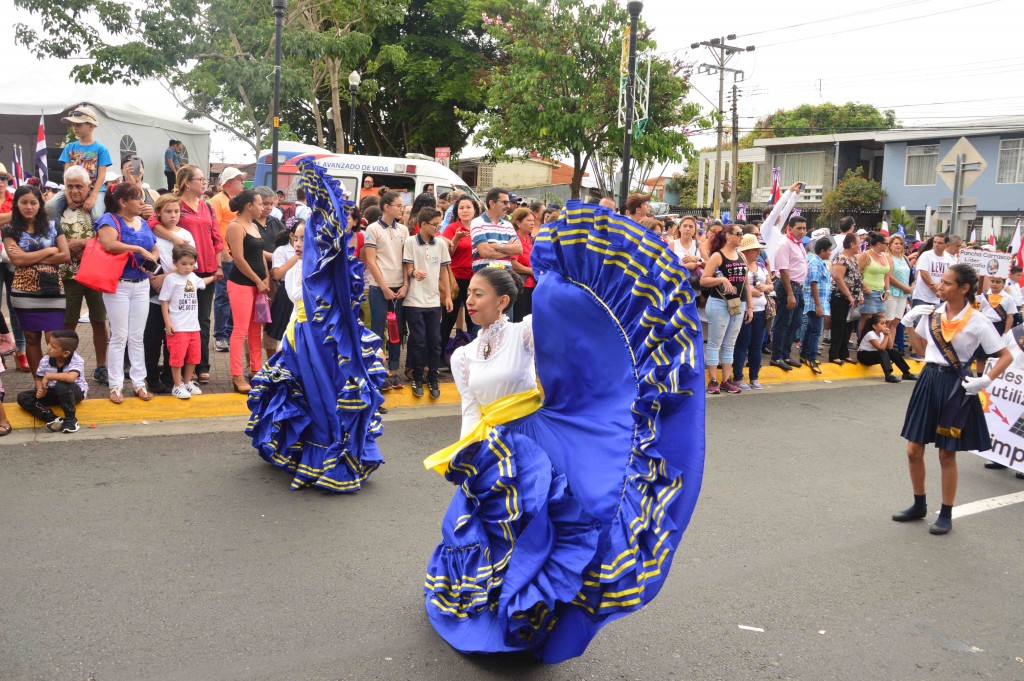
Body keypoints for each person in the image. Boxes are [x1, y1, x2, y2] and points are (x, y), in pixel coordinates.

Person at [422, 201, 704, 662]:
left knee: (541, 533)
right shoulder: (461, 357)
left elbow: (577, 329)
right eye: (468, 293)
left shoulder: (526, 333)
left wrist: (599, 286)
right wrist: (468, 457)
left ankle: (535, 620)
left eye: (477, 293)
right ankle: (488, 605)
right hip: (490, 452)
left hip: (535, 445)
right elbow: (471, 411)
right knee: (485, 532)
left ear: (502, 301)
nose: (469, 300)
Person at [247, 159, 386, 492]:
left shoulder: (324, 230)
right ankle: (313, 451)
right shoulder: (322, 231)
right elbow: (314, 287)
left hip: (317, 329)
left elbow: (321, 286)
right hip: (314, 328)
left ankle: (322, 453)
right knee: (317, 389)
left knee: (322, 391)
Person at [895, 264, 1012, 535]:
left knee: (947, 453)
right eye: (941, 282)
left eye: (947, 283)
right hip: (929, 380)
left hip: (956, 385)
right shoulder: (933, 313)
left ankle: (946, 512)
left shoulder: (978, 321)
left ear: (964, 289)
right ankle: (918, 504)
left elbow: (1005, 355)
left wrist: (987, 379)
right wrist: (909, 324)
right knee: (914, 449)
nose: (940, 286)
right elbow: (922, 350)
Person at [95, 182, 160, 403]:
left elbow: (154, 245)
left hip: (141, 284)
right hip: (118, 285)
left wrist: (151, 258)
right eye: (138, 199)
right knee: (119, 336)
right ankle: (115, 386)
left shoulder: (141, 222)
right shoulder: (109, 221)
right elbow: (109, 244)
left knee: (136, 337)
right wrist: (139, 249)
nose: (142, 203)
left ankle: (139, 383)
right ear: (123, 202)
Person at [45, 165, 110, 385]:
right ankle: (65, 365)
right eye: (70, 186)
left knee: (99, 322)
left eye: (79, 187)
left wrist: (81, 243)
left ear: (88, 187)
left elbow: (109, 239)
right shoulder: (57, 210)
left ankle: (101, 366)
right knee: (67, 325)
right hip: (67, 276)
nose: (74, 191)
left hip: (95, 275)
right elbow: (47, 240)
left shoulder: (97, 210)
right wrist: (64, 248)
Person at [160, 165, 223, 384]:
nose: (204, 182)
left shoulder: (207, 206)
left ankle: (200, 365)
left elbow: (216, 237)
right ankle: (176, 370)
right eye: (200, 179)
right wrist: (175, 239)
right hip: (181, 270)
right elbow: (154, 224)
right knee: (179, 318)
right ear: (187, 182)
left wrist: (219, 265)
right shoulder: (175, 205)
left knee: (202, 319)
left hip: (206, 267)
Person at [2, 186, 70, 378]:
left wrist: (28, 256)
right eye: (24, 202)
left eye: (33, 202)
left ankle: (56, 379)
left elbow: (65, 255)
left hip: (52, 289)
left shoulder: (53, 224)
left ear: (40, 204)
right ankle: (39, 381)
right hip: (24, 291)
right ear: (16, 204)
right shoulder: (10, 229)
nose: (29, 207)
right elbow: (17, 261)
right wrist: (49, 251)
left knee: (54, 337)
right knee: (31, 338)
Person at [145, 193, 196, 393]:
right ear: (158, 213)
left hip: (177, 299)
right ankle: (151, 377)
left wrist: (165, 277)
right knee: (152, 338)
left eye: (176, 211)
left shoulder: (186, 235)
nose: (173, 215)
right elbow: (144, 260)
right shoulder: (151, 233)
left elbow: (191, 263)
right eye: (168, 211)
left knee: (173, 340)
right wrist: (152, 278)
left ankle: (169, 376)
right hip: (153, 295)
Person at [403, 208, 452, 399]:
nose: (438, 228)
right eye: (435, 225)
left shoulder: (440, 244)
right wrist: (414, 271)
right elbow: (407, 267)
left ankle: (432, 377)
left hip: (433, 300)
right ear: (423, 224)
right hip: (414, 300)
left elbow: (444, 272)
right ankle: (416, 376)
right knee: (419, 340)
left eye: (439, 225)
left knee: (435, 341)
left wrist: (447, 296)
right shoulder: (410, 242)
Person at [700, 223, 753, 394]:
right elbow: (704, 280)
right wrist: (721, 280)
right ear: (728, 236)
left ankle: (726, 380)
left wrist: (750, 307)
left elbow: (746, 283)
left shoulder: (741, 256)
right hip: (719, 303)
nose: (741, 236)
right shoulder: (717, 256)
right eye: (738, 233)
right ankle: (713, 380)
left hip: (738, 303)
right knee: (715, 342)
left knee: (730, 343)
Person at [224, 190, 269, 393]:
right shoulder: (236, 226)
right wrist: (258, 280)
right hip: (241, 284)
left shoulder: (253, 225)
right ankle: (236, 374)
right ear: (249, 206)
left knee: (255, 330)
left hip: (258, 284)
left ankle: (256, 370)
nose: (263, 207)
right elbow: (239, 260)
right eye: (260, 204)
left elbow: (259, 255)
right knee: (240, 330)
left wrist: (265, 278)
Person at [364, 191, 410, 389]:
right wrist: (383, 287)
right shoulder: (372, 229)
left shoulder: (404, 230)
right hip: (378, 287)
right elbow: (371, 260)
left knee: (396, 330)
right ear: (386, 207)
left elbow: (407, 260)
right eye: (398, 205)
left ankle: (393, 371)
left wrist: (406, 284)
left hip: (399, 287)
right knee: (377, 329)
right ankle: (376, 370)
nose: (401, 209)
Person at [160, 243, 216, 399]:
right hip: (178, 327)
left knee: (193, 357)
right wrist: (167, 322)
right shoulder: (171, 279)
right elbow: (164, 301)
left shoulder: (193, 277)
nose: (188, 267)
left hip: (193, 327)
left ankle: (187, 382)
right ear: (175, 263)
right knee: (177, 358)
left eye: (191, 264)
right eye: (183, 264)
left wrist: (215, 276)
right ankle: (176, 385)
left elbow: (202, 283)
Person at [16, 329, 87, 433]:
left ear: (66, 353)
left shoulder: (77, 360)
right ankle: (53, 418)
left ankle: (71, 419)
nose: (48, 347)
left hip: (73, 393)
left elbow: (71, 377)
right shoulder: (45, 360)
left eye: (53, 347)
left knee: (62, 384)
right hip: (53, 392)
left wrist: (49, 376)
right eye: (49, 343)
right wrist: (40, 389)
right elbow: (39, 378)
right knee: (23, 397)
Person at [209, 167, 246, 352]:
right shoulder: (217, 200)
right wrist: (222, 250)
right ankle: (221, 335)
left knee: (235, 296)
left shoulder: (236, 201)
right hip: (226, 255)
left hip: (237, 254)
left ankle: (230, 332)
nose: (242, 182)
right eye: (239, 179)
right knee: (223, 296)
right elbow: (214, 228)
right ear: (229, 182)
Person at [732, 234, 772, 390]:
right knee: (742, 345)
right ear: (746, 251)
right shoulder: (739, 266)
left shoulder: (761, 266)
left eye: (758, 250)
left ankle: (754, 377)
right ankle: (738, 377)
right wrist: (750, 293)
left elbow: (771, 285)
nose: (757, 253)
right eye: (754, 250)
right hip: (744, 311)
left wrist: (764, 288)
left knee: (756, 345)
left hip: (761, 310)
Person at [769, 215, 809, 371]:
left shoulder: (798, 244)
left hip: (798, 287)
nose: (802, 231)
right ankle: (776, 356)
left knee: (795, 323)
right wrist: (790, 294)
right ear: (789, 228)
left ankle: (785, 354)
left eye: (804, 228)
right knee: (783, 323)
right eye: (798, 228)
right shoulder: (784, 244)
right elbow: (784, 271)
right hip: (787, 288)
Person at [58, 106, 111, 215]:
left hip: (94, 189)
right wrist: (68, 196)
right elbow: (66, 175)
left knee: (97, 216)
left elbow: (101, 176)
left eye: (78, 125)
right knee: (50, 207)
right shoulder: (69, 147)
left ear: (91, 126)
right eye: (73, 125)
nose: (74, 128)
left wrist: (92, 197)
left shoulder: (101, 149)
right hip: (71, 188)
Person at [440, 196, 478, 346]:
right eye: (461, 208)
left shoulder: (479, 227)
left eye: (468, 207)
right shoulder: (451, 228)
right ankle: (440, 355)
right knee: (449, 318)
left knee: (473, 319)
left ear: (475, 210)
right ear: (456, 211)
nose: (465, 211)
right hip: (454, 279)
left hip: (475, 279)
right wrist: (455, 238)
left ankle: (472, 353)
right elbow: (448, 255)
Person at [828, 233, 863, 365]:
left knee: (848, 326)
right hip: (841, 296)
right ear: (852, 244)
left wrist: (859, 294)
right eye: (858, 244)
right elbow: (838, 278)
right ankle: (834, 353)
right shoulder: (841, 257)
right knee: (839, 325)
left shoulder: (853, 258)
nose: (859, 246)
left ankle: (844, 353)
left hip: (852, 298)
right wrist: (848, 295)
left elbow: (857, 277)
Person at [800, 237, 833, 374]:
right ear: (822, 250)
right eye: (829, 250)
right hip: (815, 302)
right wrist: (818, 305)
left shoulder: (820, 262)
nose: (831, 253)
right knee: (815, 331)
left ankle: (805, 355)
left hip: (820, 302)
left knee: (811, 329)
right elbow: (813, 284)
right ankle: (810, 357)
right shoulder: (815, 263)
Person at [471, 187, 521, 271]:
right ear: (492, 203)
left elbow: (519, 249)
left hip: (506, 276)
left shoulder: (508, 225)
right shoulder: (477, 222)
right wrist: (509, 249)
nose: (508, 206)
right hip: (485, 277)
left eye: (508, 203)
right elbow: (485, 252)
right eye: (504, 202)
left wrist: (497, 246)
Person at [857, 313, 917, 383]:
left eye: (885, 323)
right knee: (883, 352)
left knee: (893, 352)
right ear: (874, 326)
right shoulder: (870, 334)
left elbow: (890, 347)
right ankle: (888, 375)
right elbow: (881, 348)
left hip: (875, 354)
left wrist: (888, 335)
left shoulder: (882, 334)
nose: (885, 325)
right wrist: (886, 336)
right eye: (882, 324)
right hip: (864, 356)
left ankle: (906, 373)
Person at [974, 275, 1017, 375]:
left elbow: (1010, 317)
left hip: (998, 327)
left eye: (998, 282)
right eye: (992, 281)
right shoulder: (983, 296)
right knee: (980, 355)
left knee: (995, 356)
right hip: (984, 326)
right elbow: (976, 311)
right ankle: (980, 377)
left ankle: (991, 378)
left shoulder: (1008, 298)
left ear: (1003, 284)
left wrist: (1006, 333)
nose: (994, 284)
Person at [857, 232, 892, 338]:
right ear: (879, 244)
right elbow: (857, 273)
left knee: (882, 319)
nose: (888, 246)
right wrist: (864, 286)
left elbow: (886, 276)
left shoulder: (886, 257)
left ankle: (877, 342)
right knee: (867, 318)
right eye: (886, 243)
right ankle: (862, 341)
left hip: (881, 292)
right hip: (869, 292)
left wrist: (887, 290)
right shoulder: (866, 255)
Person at [886, 234, 913, 349]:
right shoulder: (888, 257)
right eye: (896, 243)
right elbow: (889, 277)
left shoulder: (905, 258)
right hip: (892, 293)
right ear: (890, 245)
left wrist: (910, 287)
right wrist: (904, 287)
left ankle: (890, 347)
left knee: (896, 322)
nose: (898, 245)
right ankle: (885, 347)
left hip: (903, 295)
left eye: (900, 243)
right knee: (888, 321)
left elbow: (911, 276)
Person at [509, 207, 536, 321]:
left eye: (533, 221)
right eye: (528, 221)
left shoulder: (529, 239)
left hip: (531, 285)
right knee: (519, 319)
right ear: (518, 223)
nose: (532, 223)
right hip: (521, 286)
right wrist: (530, 271)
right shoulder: (515, 239)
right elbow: (513, 263)